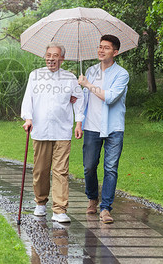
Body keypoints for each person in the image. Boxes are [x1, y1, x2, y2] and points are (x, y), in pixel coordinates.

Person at [21, 42, 84, 223]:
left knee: (60, 171)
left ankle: (59, 209)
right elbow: (28, 99)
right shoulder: (35, 76)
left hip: (62, 130)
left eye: (55, 55)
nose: (51, 58)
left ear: (62, 59)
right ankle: (40, 202)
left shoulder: (70, 78)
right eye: (48, 55)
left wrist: (79, 122)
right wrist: (28, 118)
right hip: (40, 130)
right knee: (40, 170)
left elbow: (79, 99)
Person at [78, 34, 129, 224]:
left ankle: (106, 208)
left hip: (114, 127)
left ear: (115, 52)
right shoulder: (90, 71)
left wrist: (88, 85)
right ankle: (92, 198)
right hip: (91, 126)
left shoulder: (122, 74)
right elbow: (83, 98)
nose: (101, 50)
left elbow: (110, 97)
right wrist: (79, 122)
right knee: (89, 167)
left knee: (110, 168)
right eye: (100, 46)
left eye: (106, 48)